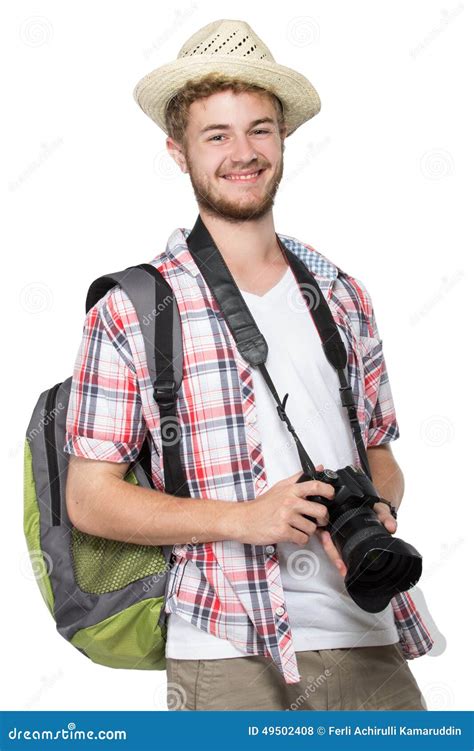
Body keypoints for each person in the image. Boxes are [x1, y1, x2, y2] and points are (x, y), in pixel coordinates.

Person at [64, 19, 433, 711]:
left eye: (260, 129)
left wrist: (375, 510)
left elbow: (381, 455)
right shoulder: (134, 306)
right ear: (178, 152)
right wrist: (247, 518)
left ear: (284, 137)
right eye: (217, 134)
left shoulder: (341, 295)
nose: (244, 152)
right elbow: (88, 498)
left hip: (367, 632)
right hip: (225, 649)